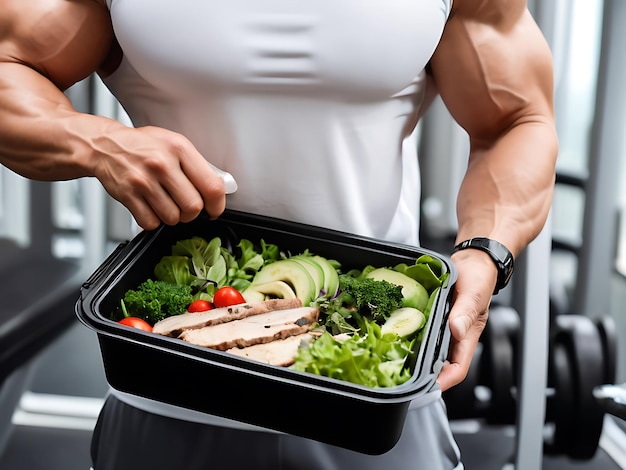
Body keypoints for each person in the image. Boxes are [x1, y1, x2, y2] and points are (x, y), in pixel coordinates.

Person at [0, 0, 558, 469]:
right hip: (174, 381)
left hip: (370, 386)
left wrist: (485, 253)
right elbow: (10, 63)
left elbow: (518, 118)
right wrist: (97, 142)